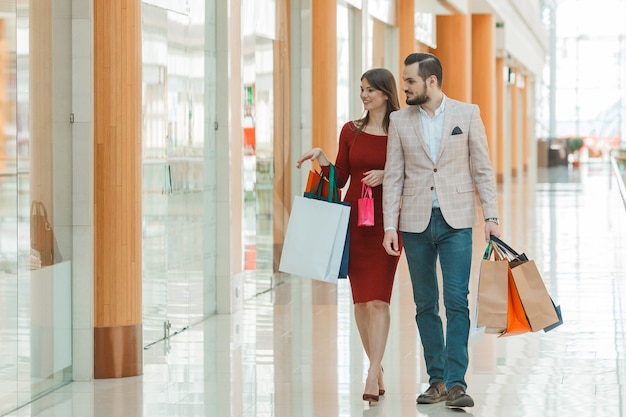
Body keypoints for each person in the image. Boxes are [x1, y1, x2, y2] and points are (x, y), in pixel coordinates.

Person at [382, 52, 501, 408]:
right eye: (404, 81)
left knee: (456, 300)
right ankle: (435, 380)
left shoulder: (467, 114)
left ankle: (456, 382)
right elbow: (393, 176)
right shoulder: (400, 120)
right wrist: (390, 224)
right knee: (425, 304)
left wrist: (491, 217)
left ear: (431, 81)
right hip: (415, 223)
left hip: (457, 222)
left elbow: (482, 167)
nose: (404, 87)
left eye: (410, 81)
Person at [297, 68, 402, 405]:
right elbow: (340, 178)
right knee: (360, 302)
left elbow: (413, 171)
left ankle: (372, 371)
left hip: (388, 223)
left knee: (380, 300)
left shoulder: (402, 130)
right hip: (355, 222)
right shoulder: (350, 131)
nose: (364, 95)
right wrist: (323, 159)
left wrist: (387, 173)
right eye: (361, 90)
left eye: (370, 90)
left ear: (386, 94)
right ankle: (376, 365)